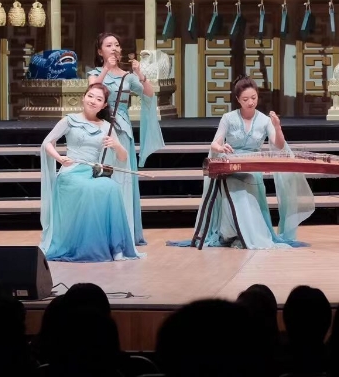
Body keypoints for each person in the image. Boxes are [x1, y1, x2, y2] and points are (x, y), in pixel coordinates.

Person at [181, 76, 314, 249]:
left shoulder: (264, 120)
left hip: (252, 166)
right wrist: (221, 148)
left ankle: (247, 234)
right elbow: (215, 143)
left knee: (248, 188)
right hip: (231, 165)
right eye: (245, 99)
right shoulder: (228, 118)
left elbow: (279, 145)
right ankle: (233, 233)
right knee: (233, 187)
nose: (250, 102)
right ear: (238, 99)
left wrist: (277, 126)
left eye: (253, 98)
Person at [39, 83, 140, 261]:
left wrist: (116, 145)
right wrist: (60, 158)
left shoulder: (106, 126)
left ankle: (115, 247)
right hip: (71, 172)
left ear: (104, 105)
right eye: (90, 96)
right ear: (83, 97)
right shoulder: (69, 120)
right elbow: (47, 143)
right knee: (88, 189)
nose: (93, 101)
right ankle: (86, 246)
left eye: (99, 99)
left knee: (111, 188)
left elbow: (123, 157)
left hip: (92, 171)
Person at [87, 32, 164, 246]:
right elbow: (92, 93)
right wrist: (105, 69)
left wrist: (140, 74)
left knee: (122, 178)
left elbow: (149, 95)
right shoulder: (95, 73)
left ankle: (124, 232)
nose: (114, 48)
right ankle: (101, 231)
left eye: (117, 45)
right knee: (103, 178)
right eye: (109, 45)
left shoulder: (128, 77)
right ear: (100, 51)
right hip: (101, 129)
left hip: (122, 130)